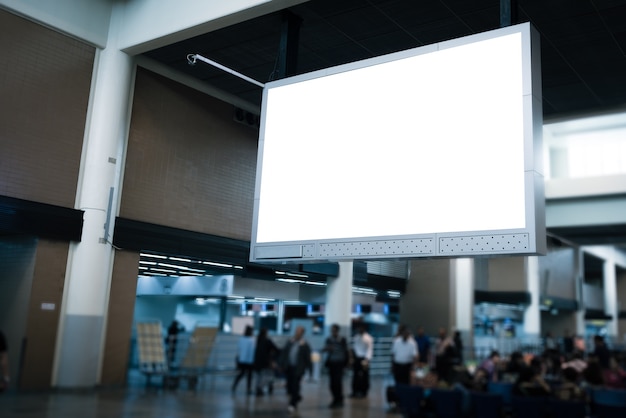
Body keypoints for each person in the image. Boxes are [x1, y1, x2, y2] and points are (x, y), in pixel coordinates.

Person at [279, 326, 312, 414]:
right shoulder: (290, 341)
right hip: (290, 367)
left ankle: (292, 404)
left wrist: (310, 370)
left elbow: (308, 358)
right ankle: (296, 397)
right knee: (290, 386)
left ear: (302, 333)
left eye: (299, 331)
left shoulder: (304, 344)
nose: (297, 333)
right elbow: (284, 352)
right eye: (296, 331)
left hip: (298, 369)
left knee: (295, 385)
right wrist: (281, 364)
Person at [322, 324, 350, 408]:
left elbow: (346, 351)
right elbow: (325, 349)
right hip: (332, 363)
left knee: (338, 382)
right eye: (332, 330)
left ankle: (339, 400)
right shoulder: (329, 339)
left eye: (334, 330)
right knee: (332, 383)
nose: (333, 332)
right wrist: (328, 349)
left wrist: (347, 363)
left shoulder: (342, 340)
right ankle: (335, 399)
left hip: (339, 364)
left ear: (337, 331)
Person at [350, 323, 374, 398]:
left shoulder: (369, 338)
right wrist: (352, 358)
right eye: (359, 328)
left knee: (365, 376)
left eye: (361, 328)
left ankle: (364, 392)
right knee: (355, 375)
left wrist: (367, 359)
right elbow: (354, 348)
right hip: (357, 358)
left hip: (364, 358)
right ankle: (355, 391)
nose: (360, 330)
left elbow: (370, 349)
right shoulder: (356, 337)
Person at [253, 327, 278, 396]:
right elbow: (275, 348)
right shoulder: (267, 341)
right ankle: (260, 388)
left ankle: (258, 389)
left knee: (259, 376)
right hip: (264, 362)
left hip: (257, 361)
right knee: (268, 376)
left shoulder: (258, 340)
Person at [232, 325, 256, 394]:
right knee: (249, 375)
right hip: (250, 360)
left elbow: (239, 348)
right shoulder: (252, 340)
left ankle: (235, 385)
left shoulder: (242, 339)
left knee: (241, 374)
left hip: (242, 360)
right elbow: (252, 351)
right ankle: (248, 389)